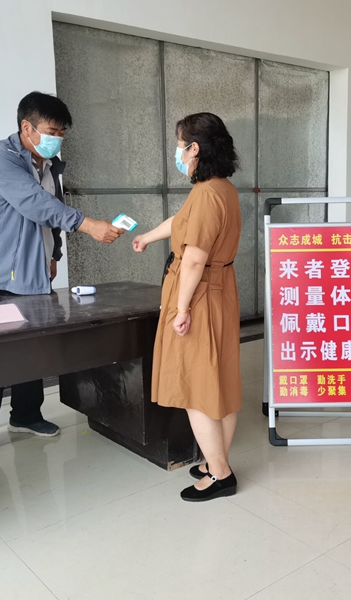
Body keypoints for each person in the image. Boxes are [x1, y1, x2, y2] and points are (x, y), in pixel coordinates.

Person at [0, 91, 124, 460]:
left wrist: (54, 255)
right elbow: (34, 204)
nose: (57, 139)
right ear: (26, 127)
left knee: (33, 351)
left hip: (33, 275)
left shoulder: (49, 164)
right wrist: (88, 224)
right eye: (51, 131)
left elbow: (53, 211)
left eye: (62, 133)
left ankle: (26, 415)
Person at [132, 113, 242, 502]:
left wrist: (181, 308)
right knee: (219, 381)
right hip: (220, 290)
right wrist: (147, 237)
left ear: (194, 149)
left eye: (180, 146)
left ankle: (221, 474)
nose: (177, 153)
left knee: (197, 387)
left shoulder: (207, 194)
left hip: (200, 294)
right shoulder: (221, 188)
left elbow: (194, 258)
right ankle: (216, 462)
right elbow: (181, 222)